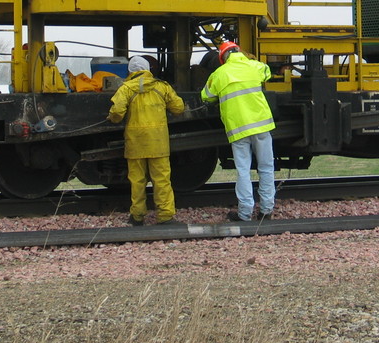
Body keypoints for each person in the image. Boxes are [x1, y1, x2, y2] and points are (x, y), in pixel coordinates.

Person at [201, 41, 276, 222]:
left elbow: (206, 96)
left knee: (243, 171)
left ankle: (244, 214)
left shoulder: (219, 74)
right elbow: (268, 73)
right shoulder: (255, 66)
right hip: (261, 125)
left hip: (238, 129)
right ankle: (266, 210)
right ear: (239, 51)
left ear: (223, 58)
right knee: (266, 167)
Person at [108, 56, 185, 226]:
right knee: (162, 179)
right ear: (148, 69)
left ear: (130, 71)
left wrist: (112, 117)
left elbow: (117, 113)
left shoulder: (126, 89)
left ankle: (137, 216)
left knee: (137, 180)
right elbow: (179, 108)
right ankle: (165, 216)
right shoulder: (161, 87)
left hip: (136, 143)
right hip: (158, 142)